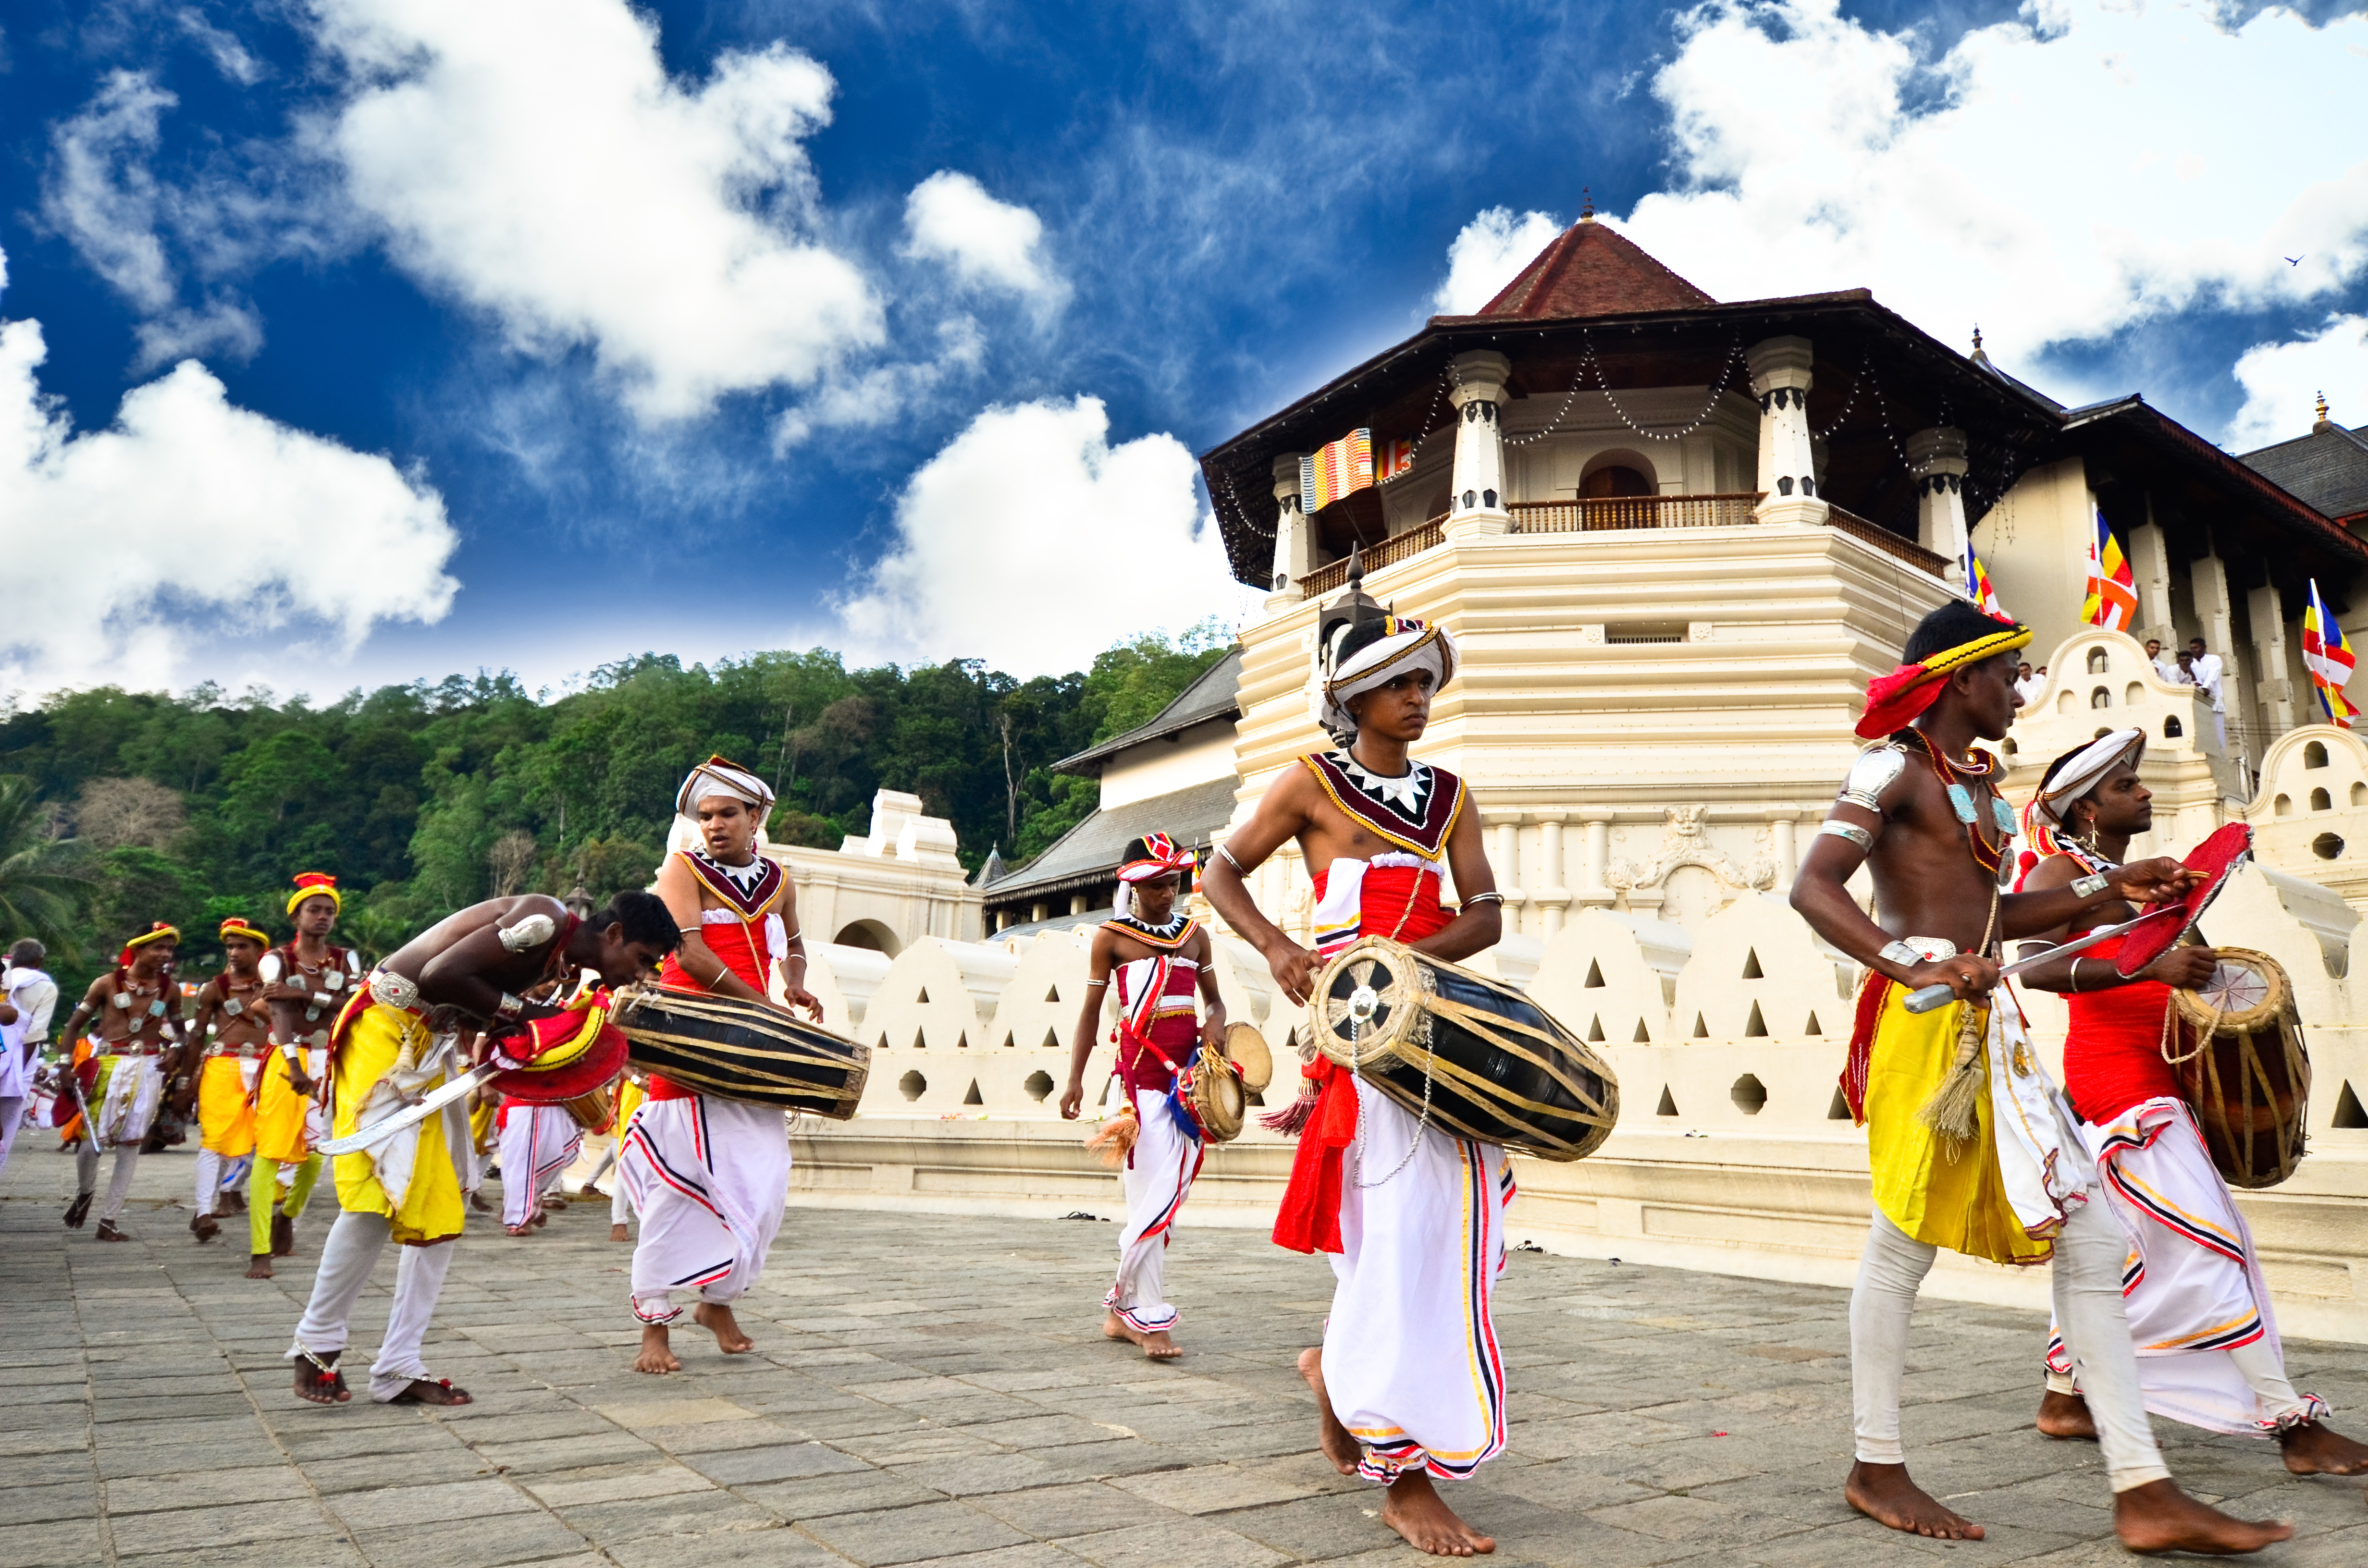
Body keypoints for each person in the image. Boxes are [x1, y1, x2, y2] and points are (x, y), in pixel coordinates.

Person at [1790, 599, 2289, 1554]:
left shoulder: (1973, 784)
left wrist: (2114, 886)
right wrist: (1910, 964)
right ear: (1961, 680)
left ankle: (2141, 1489)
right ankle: (1877, 1464)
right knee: (1904, 1243)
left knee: (2090, 1237)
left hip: (1990, 1026)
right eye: (2009, 675)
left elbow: (1998, 923)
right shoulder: (1890, 769)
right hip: (1926, 1029)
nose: (2020, 691)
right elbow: (1812, 885)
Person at [1201, 597, 1508, 1558]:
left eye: (1425, 683)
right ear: (1355, 696)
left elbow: (1487, 910)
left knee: (1453, 1228)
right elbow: (1220, 873)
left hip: (1439, 1027)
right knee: (1389, 1232)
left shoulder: (1450, 793)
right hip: (1355, 1038)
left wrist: (1409, 963)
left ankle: (1339, 1374)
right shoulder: (1308, 785)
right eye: (1398, 685)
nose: (1419, 699)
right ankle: (1401, 1470)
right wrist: (1281, 948)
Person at [2014, 731, 2368, 1477]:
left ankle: (2064, 1394)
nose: (2143, 793)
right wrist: (2148, 959)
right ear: (2085, 811)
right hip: (2118, 1077)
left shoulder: (2140, 876)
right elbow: (2036, 968)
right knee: (2209, 1239)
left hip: (2170, 1066)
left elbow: (2183, 973)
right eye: (2125, 787)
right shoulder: (2061, 870)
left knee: (2116, 1245)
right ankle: (2291, 1425)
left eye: (2139, 783)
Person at [288, 889, 678, 1407]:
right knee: (381, 1194)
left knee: (446, 1198)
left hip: (429, 1045)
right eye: (641, 959)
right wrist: (527, 1013)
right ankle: (316, 1344)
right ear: (613, 935)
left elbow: (476, 1007)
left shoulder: (561, 962)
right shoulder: (543, 920)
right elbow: (442, 977)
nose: (639, 974)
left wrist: (536, 1035)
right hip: (382, 1029)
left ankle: (399, 1366)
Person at [624, 756, 820, 1375]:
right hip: (691, 1036)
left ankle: (718, 1301)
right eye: (704, 816)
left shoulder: (779, 879)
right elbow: (692, 953)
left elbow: (790, 942)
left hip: (751, 1046)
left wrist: (796, 985)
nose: (713, 825)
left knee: (762, 1184)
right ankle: (655, 1327)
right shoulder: (681, 870)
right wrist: (762, 1006)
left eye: (727, 814)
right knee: (677, 1189)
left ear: (755, 817)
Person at [1058, 833, 1228, 1360]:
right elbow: (1090, 1015)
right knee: (1149, 1199)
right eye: (1156, 885)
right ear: (1133, 884)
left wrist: (1214, 1027)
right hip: (1135, 1085)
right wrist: (1074, 1079)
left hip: (1187, 1087)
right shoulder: (1110, 939)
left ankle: (1118, 1311)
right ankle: (1148, 1319)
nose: (1166, 894)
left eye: (1173, 883)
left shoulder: (1195, 937)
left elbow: (1216, 1003)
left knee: (1164, 1204)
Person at [245, 876, 358, 1279]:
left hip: (329, 1058)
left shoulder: (346, 959)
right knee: (271, 1153)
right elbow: (277, 1012)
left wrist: (306, 996)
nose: (323, 917)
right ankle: (260, 1250)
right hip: (287, 1059)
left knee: (316, 1154)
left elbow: (353, 1006)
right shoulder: (277, 959)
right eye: (315, 910)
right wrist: (293, 1066)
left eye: (330, 911)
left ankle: (288, 1214)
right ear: (296, 916)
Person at [53, 923, 184, 1240]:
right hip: (110, 1067)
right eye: (158, 948)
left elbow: (182, 1033)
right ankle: (86, 1193)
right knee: (90, 1144)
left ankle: (109, 1219)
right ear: (138, 949)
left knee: (131, 1144)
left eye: (169, 949)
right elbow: (73, 1028)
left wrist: (176, 1051)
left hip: (150, 1069)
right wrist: (65, 1065)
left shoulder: (170, 989)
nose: (165, 955)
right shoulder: (106, 984)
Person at [186, 917, 274, 1244]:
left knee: (258, 1141)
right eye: (230, 946)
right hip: (221, 1067)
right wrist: (184, 1082)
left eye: (242, 946)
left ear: (260, 951)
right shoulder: (214, 989)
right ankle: (204, 1211)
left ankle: (231, 1190)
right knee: (214, 1140)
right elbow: (197, 1035)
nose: (234, 953)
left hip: (265, 1065)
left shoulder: (276, 986)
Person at [0, 941, 59, 1181]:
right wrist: (21, 1071)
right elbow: (36, 1033)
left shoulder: (4, 977)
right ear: (39, 962)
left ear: (13, 959)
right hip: (18, 1058)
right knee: (7, 1127)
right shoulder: (46, 987)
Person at [2188, 637, 2229, 749]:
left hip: (2215, 701)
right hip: (2199, 702)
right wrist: (2198, 686)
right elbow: (2194, 680)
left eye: (2196, 647)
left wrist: (2205, 687)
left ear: (2204, 648)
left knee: (2218, 735)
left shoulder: (2214, 659)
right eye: (2191, 648)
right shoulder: (2192, 664)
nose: (2193, 650)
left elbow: (2212, 676)